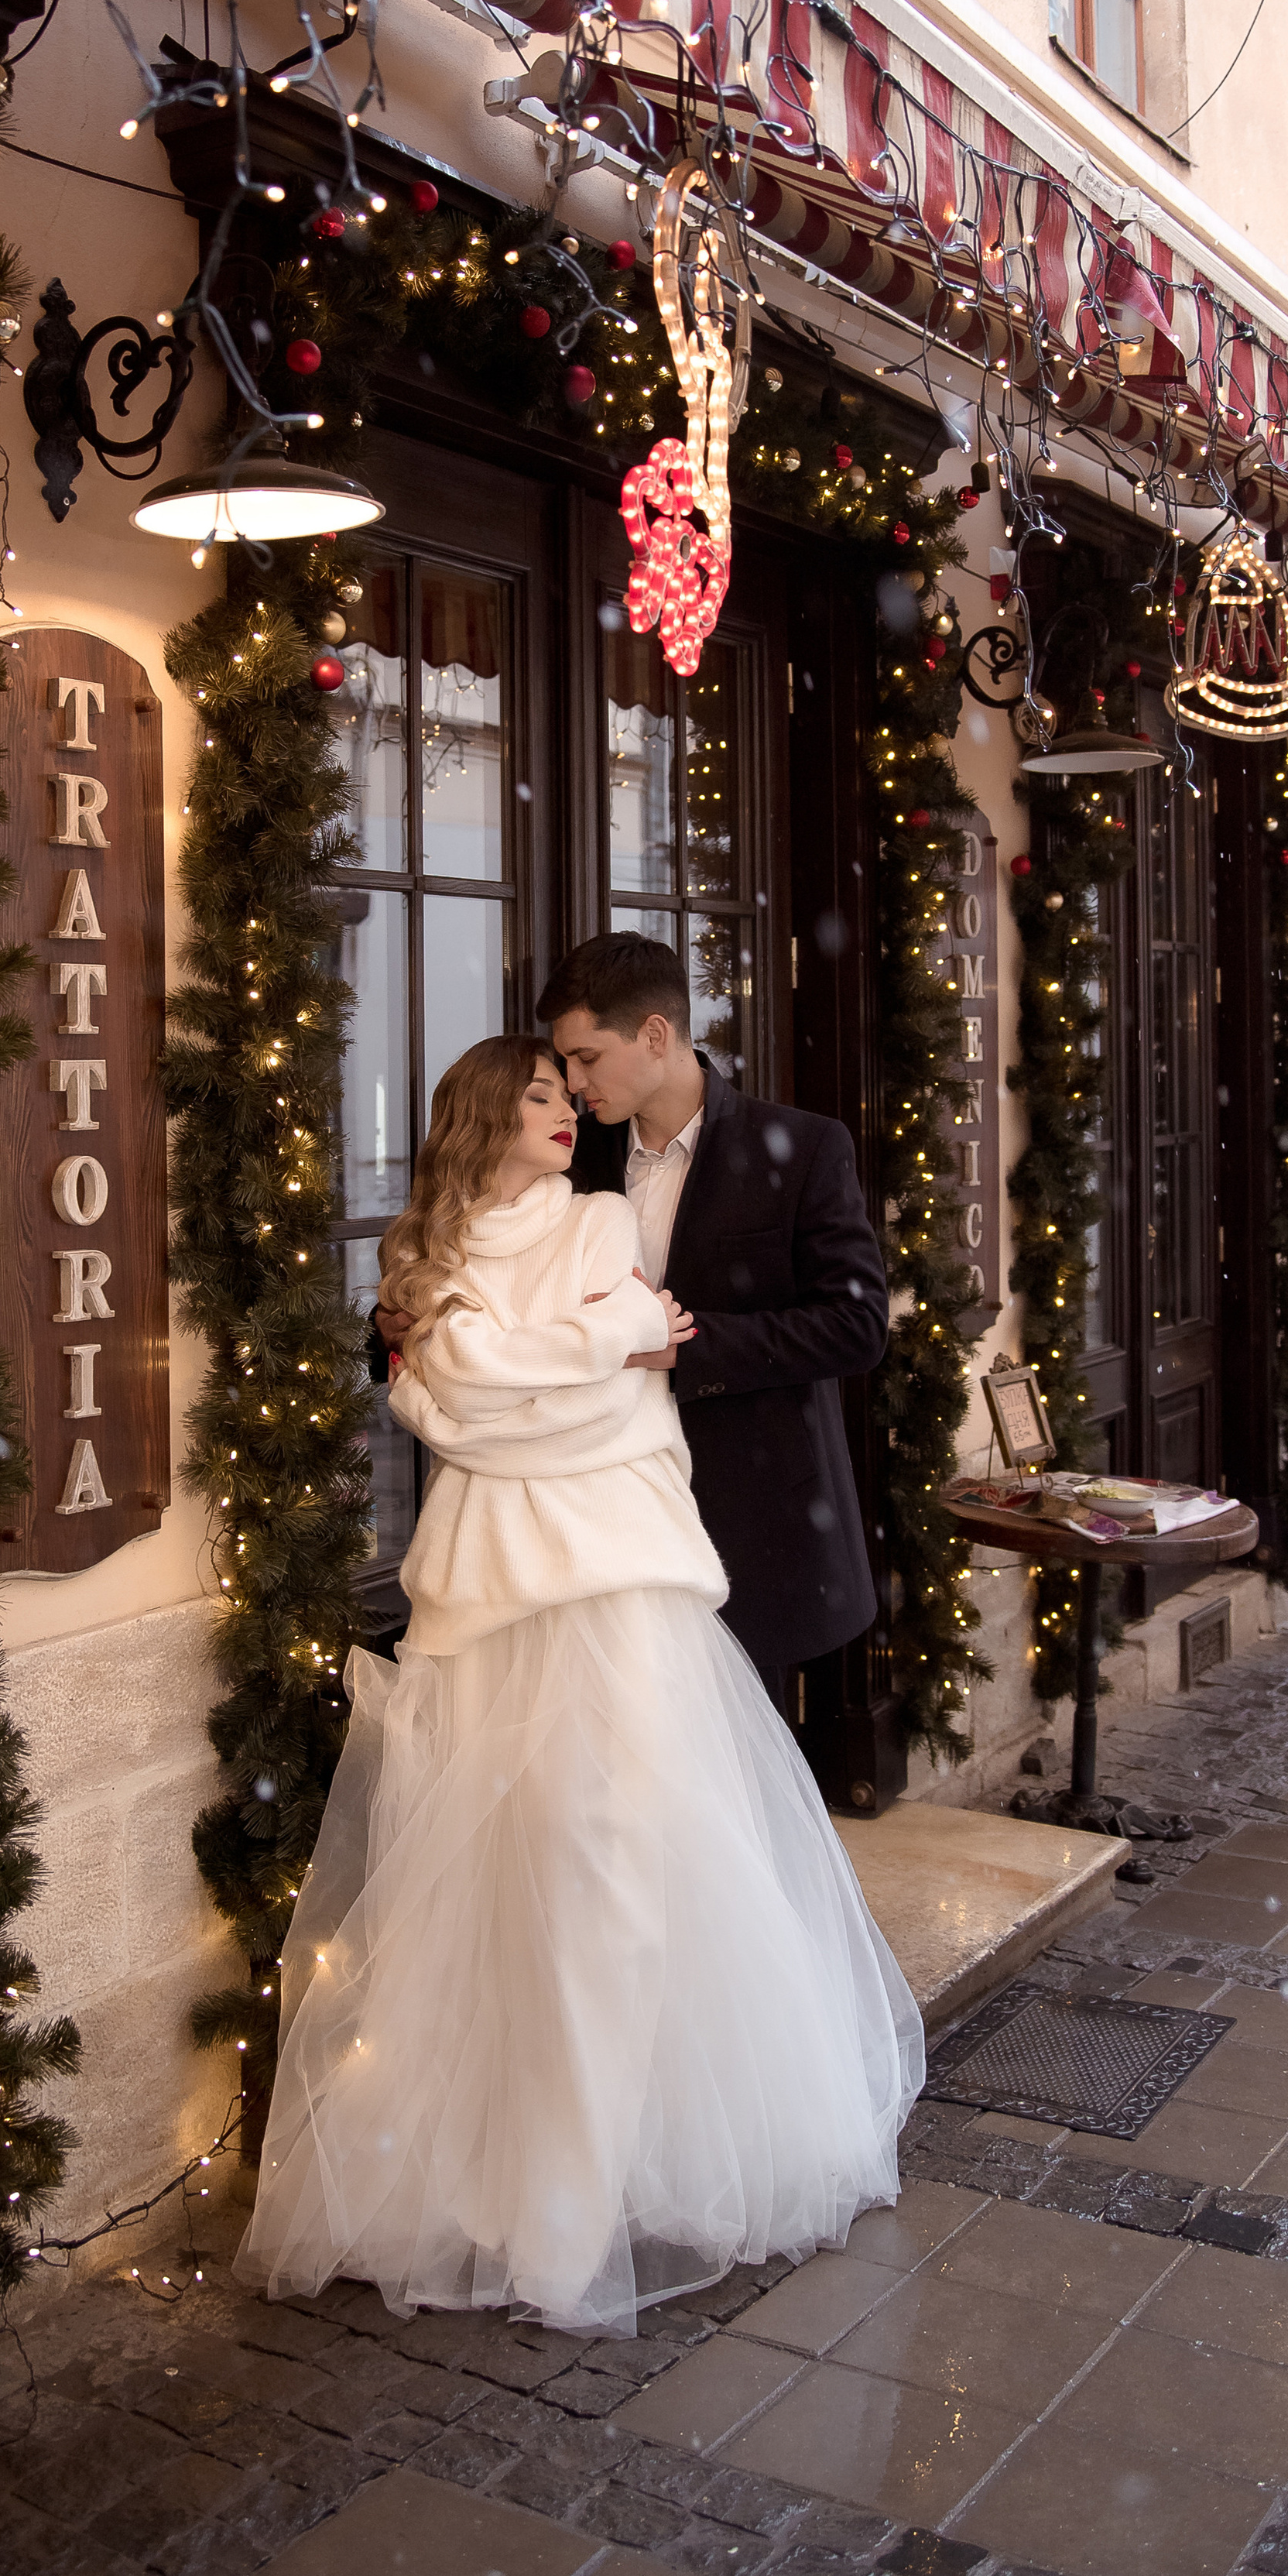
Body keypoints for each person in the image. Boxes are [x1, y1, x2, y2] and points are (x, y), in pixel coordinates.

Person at [239, 1035, 923, 2336]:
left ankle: (586, 2180)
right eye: (540, 1096)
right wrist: (598, 1339)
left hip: (611, 1596)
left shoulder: (605, 1217)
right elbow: (446, 1407)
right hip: (482, 1604)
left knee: (610, 1872)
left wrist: (548, 1362)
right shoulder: (421, 1267)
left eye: (570, 1089)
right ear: (483, 1117)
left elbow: (600, 1414)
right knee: (490, 1884)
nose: (564, 1112)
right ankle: (490, 2172)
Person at [535, 931, 889, 1700]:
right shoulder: (571, 1157)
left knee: (734, 1781)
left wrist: (685, 1346)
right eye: (564, 1062)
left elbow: (857, 1325)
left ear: (656, 1035)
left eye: (586, 1057)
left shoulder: (801, 1149)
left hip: (747, 1522)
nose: (570, 1081)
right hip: (599, 1517)